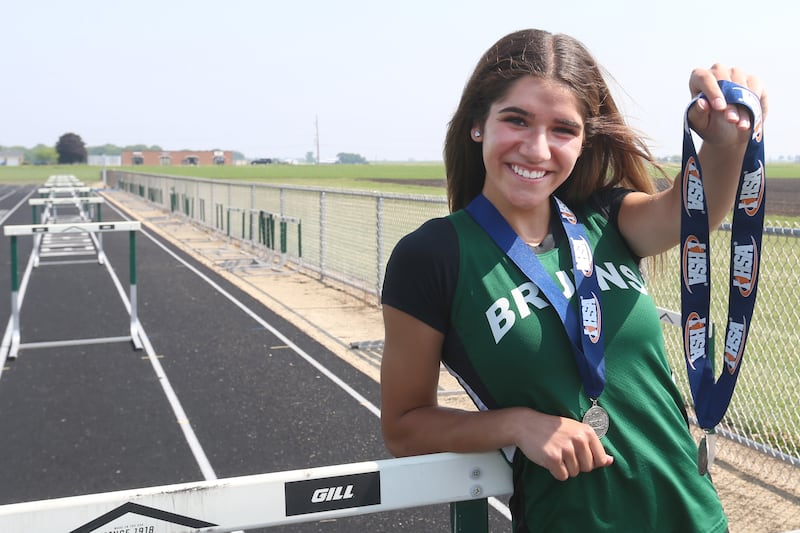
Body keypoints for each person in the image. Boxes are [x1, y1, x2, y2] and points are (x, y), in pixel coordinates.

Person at [379, 28, 767, 532]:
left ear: (584, 140)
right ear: (478, 124)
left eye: (563, 129)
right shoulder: (434, 256)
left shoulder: (604, 217)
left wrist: (725, 139)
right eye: (516, 120)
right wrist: (517, 424)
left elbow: (696, 210)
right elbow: (404, 428)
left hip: (693, 516)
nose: (537, 149)